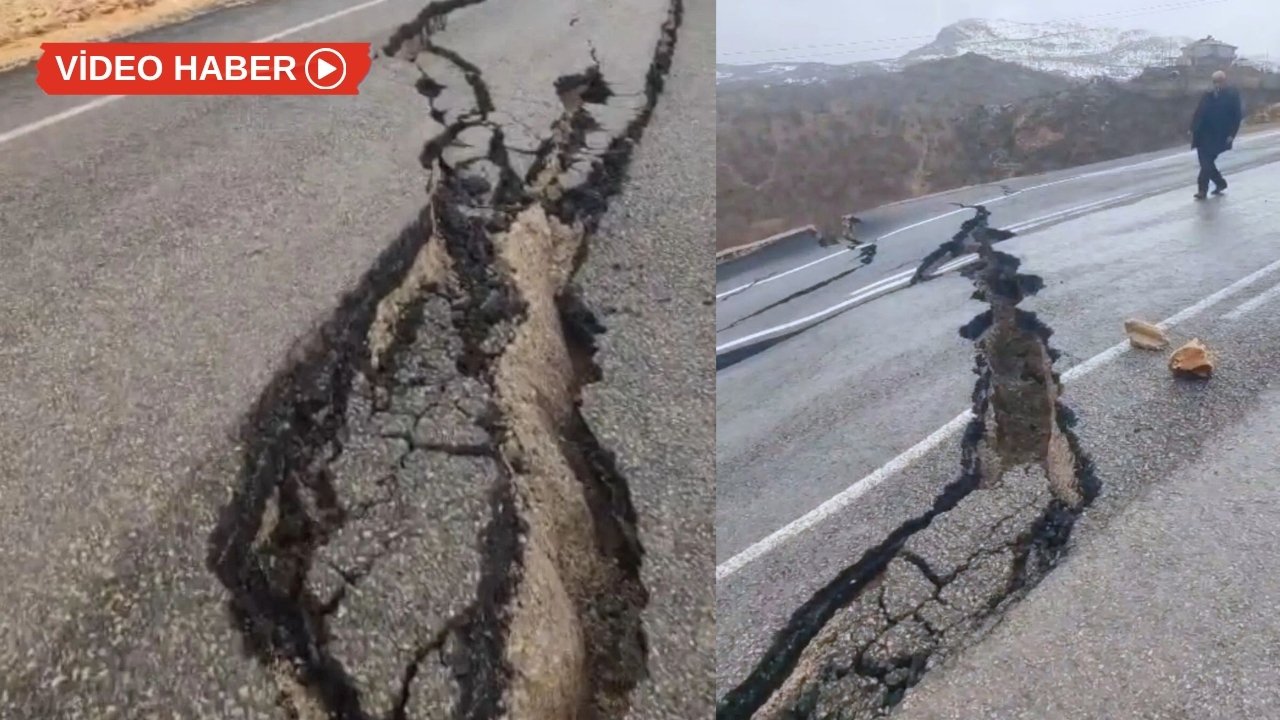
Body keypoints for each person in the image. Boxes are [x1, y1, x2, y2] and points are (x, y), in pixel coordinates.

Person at [1190, 70, 1243, 200]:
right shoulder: (1208, 94)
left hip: (1220, 135)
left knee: (1206, 164)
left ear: (1224, 81)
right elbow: (1199, 112)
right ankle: (1219, 183)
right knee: (1205, 163)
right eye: (1215, 81)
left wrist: (1232, 134)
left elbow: (1237, 116)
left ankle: (1203, 190)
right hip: (1203, 135)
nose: (1217, 84)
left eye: (1219, 81)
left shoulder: (1232, 95)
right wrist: (1192, 128)